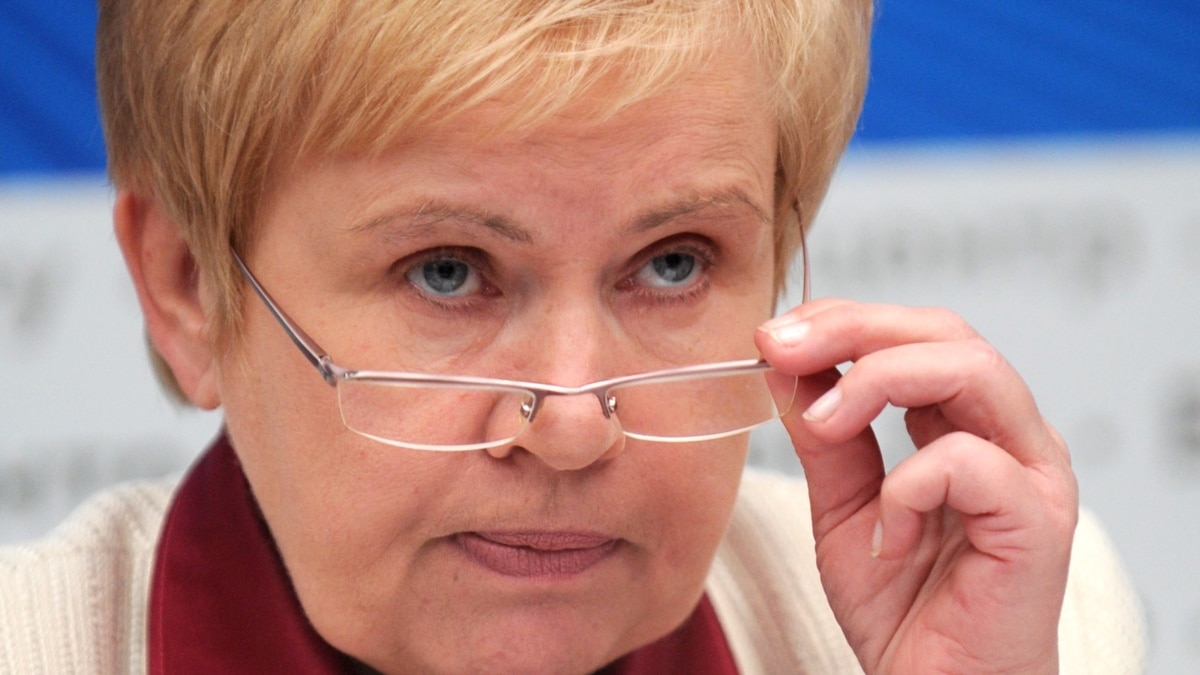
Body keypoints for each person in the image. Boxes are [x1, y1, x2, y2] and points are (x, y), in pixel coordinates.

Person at [0, 0, 1145, 673]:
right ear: (189, 289)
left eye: (673, 263)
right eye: (448, 273)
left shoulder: (1034, 625)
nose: (572, 426)